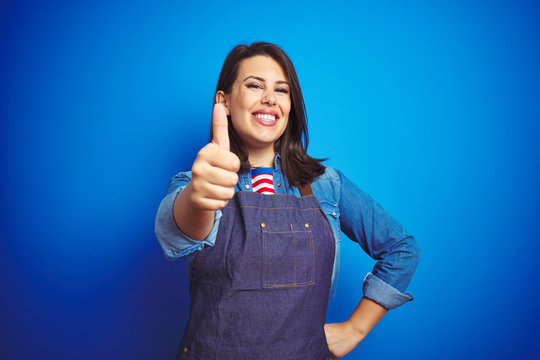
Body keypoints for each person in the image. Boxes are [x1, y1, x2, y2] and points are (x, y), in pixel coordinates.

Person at [155, 42, 421, 360]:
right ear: (223, 101)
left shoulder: (327, 185)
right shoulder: (200, 182)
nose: (270, 98)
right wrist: (198, 199)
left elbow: (401, 249)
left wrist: (355, 329)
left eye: (281, 90)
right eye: (254, 85)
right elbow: (177, 232)